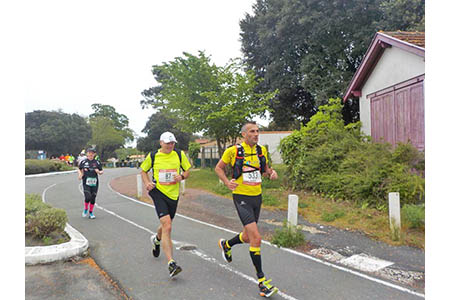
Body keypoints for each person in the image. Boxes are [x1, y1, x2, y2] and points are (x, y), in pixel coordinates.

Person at [215, 121, 279, 298]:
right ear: (244, 135)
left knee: (246, 235)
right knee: (256, 238)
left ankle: (226, 245)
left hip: (257, 197)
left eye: (258, 131)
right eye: (252, 131)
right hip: (241, 197)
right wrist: (227, 182)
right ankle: (262, 282)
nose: (256, 134)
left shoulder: (261, 151)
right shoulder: (233, 151)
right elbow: (218, 168)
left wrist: (272, 173)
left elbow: (265, 170)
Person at [140, 132, 191, 278]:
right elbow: (143, 171)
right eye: (168, 143)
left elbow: (187, 171)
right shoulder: (154, 155)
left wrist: (181, 176)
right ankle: (171, 263)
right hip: (158, 192)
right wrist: (147, 183)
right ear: (161, 142)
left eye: (172, 143)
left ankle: (156, 240)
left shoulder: (179, 155)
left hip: (173, 194)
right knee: (167, 225)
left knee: (165, 225)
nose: (170, 145)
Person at [78, 148, 103, 219]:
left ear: (94, 154)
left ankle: (91, 212)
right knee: (87, 197)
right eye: (89, 153)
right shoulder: (83, 162)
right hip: (86, 182)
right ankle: (86, 209)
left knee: (93, 198)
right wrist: (80, 174)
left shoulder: (97, 162)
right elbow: (79, 169)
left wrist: (98, 172)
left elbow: (101, 171)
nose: (91, 154)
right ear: (87, 154)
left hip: (95, 182)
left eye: (92, 153)